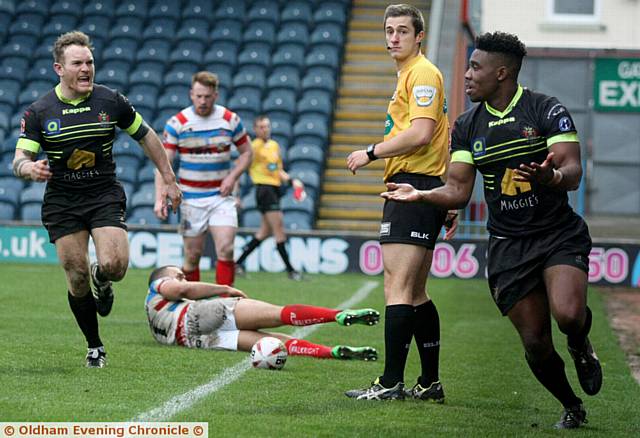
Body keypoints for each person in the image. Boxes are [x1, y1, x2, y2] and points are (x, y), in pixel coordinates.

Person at [381, 31, 602, 429]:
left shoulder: (546, 111)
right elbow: (458, 190)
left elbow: (573, 172)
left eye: (475, 68)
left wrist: (552, 176)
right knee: (535, 342)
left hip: (556, 234)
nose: (466, 75)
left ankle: (580, 344)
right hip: (508, 244)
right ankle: (572, 405)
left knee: (568, 315)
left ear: (502, 73)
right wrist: (422, 194)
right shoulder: (467, 126)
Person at [12, 31, 182, 368]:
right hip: (62, 200)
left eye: (90, 62)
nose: (87, 68)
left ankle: (102, 279)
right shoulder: (40, 112)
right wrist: (29, 169)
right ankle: (94, 345)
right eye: (78, 63)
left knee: (115, 266)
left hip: (103, 193)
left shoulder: (110, 101)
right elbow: (19, 159)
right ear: (59, 68)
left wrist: (168, 177)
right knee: (75, 276)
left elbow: (146, 136)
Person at [345, 4, 457, 401]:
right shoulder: (409, 74)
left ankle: (391, 381)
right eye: (389, 31)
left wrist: (370, 152)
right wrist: (446, 190)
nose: (393, 38)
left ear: (419, 36)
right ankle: (429, 383)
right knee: (416, 291)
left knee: (398, 288)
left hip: (412, 186)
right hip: (422, 185)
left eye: (402, 31)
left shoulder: (422, 73)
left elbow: (423, 133)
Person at [146, 265, 380, 361]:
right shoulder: (157, 286)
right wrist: (225, 288)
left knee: (274, 345)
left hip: (197, 340)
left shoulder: (153, 315)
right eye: (178, 274)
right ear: (162, 277)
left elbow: (181, 290)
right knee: (278, 314)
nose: (183, 278)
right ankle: (336, 315)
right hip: (199, 315)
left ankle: (332, 353)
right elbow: (181, 289)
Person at [155, 71, 253, 286]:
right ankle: (193, 307)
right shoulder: (177, 122)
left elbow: (247, 152)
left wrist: (232, 176)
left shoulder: (230, 119)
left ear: (215, 95)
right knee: (192, 257)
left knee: (226, 249)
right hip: (190, 198)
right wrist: (159, 197)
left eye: (207, 96)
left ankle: (225, 303)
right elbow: (163, 163)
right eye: (198, 96)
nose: (203, 101)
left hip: (221, 196)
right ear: (191, 94)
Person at [235, 114, 304, 281]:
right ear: (255, 129)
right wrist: (236, 194)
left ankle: (237, 264)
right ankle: (291, 270)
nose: (265, 129)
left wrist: (293, 180)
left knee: (264, 232)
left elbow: (277, 169)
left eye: (267, 126)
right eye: (261, 127)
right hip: (264, 190)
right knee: (279, 230)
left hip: (274, 188)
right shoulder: (254, 146)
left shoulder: (274, 145)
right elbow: (239, 166)